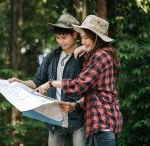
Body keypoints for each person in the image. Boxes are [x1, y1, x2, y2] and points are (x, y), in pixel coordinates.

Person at [35, 15, 123, 146]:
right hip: (96, 125)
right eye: (83, 38)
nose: (83, 42)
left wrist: (51, 83)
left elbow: (79, 85)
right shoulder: (100, 55)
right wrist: (75, 105)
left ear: (96, 38)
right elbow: (93, 94)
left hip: (102, 123)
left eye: (86, 38)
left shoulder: (100, 56)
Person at [9, 13, 86, 146]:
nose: (61, 41)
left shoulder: (84, 56)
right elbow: (37, 81)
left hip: (78, 118)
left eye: (64, 37)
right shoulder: (51, 57)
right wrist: (21, 82)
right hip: (55, 120)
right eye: (57, 37)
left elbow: (89, 86)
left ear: (74, 35)